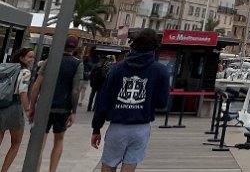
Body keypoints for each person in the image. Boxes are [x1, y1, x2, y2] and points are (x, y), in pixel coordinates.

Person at [91, 29, 170, 172]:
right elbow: (162, 103)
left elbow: (104, 101)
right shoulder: (160, 71)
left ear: (133, 45)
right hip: (141, 126)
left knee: (108, 163)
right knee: (130, 164)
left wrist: (97, 128)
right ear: (154, 47)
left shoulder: (117, 69)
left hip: (117, 125)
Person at [28, 36, 83, 172]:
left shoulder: (50, 61)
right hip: (63, 108)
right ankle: (52, 170)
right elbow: (76, 90)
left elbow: (36, 86)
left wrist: (32, 106)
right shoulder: (77, 64)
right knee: (58, 141)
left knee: (39, 143)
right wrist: (73, 111)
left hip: (44, 106)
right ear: (75, 48)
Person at [0, 48, 35, 172]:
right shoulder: (25, 72)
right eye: (29, 57)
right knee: (16, 143)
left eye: (33, 57)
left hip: (1, 106)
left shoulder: (9, 68)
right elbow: (22, 92)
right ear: (21, 58)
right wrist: (28, 109)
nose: (32, 60)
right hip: (14, 108)